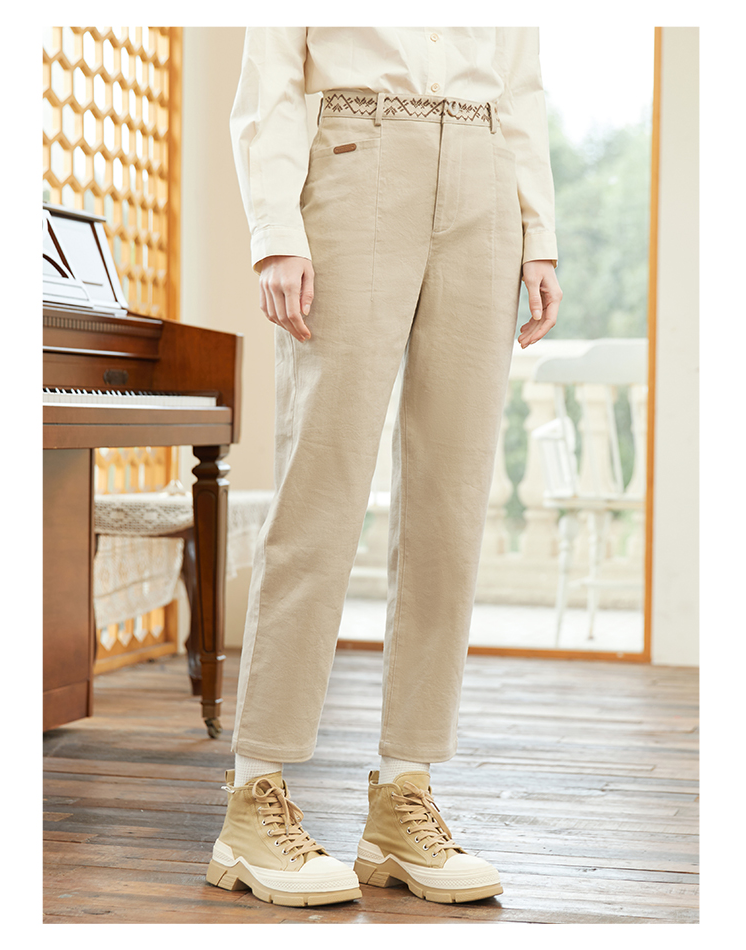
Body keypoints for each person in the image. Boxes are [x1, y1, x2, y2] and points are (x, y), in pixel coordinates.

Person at [206, 26, 562, 908]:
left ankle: (405, 795)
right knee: (320, 492)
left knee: (453, 502)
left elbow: (521, 86)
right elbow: (270, 78)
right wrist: (275, 230)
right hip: (358, 157)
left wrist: (538, 234)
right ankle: (253, 799)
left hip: (485, 175)